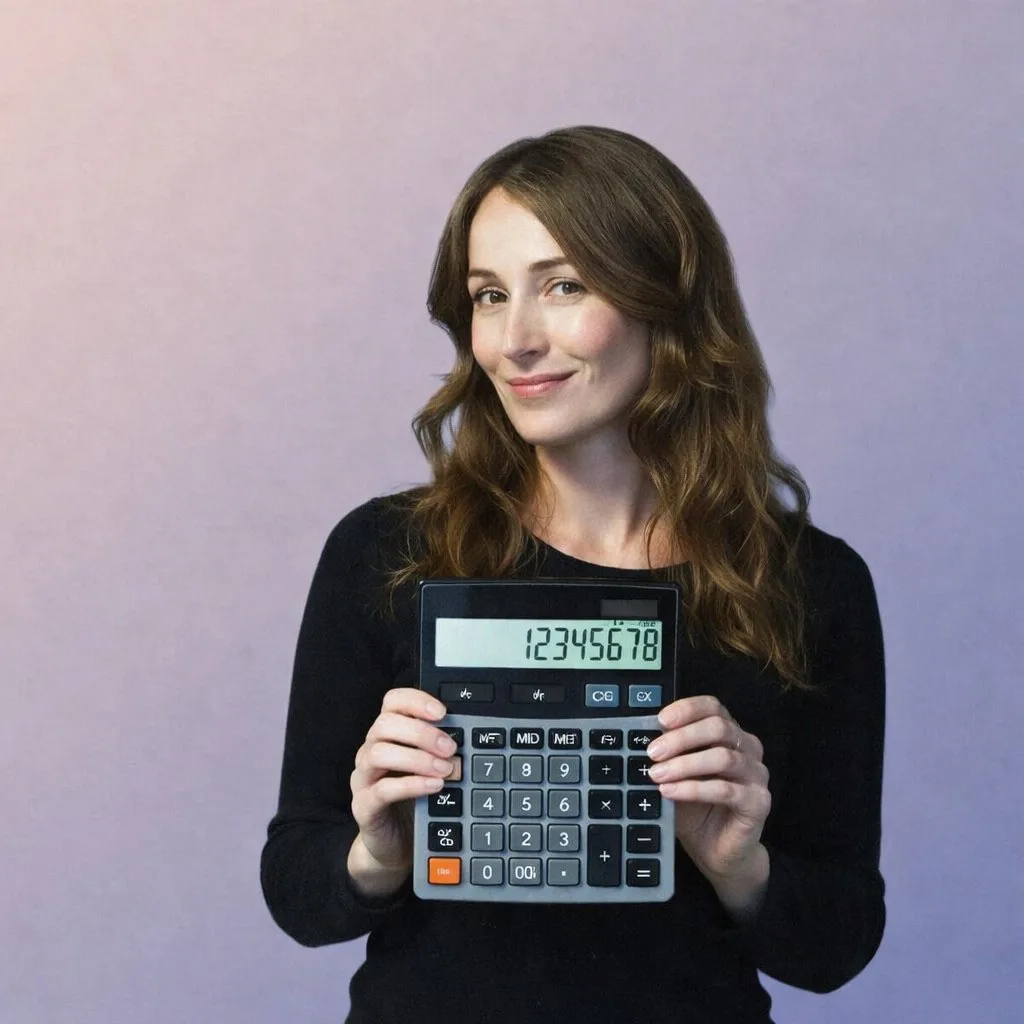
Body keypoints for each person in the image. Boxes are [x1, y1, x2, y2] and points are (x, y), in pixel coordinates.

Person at [260, 125, 886, 1023]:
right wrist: (375, 855)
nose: (515, 340)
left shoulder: (812, 583)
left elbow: (836, 946)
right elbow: (297, 890)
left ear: (665, 301)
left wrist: (739, 865)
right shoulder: (385, 553)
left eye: (564, 286)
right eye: (488, 295)